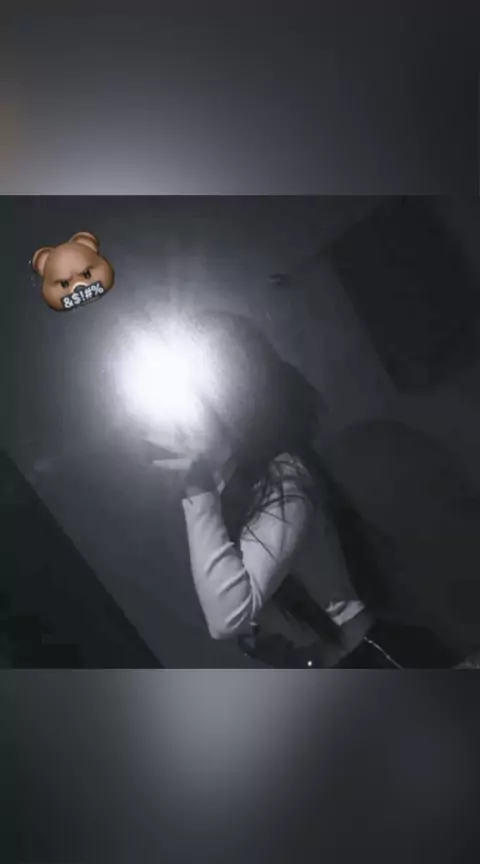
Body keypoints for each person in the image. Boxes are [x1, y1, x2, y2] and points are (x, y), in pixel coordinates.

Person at [148, 310, 458, 669]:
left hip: (377, 658)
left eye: (191, 397)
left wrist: (197, 492)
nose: (179, 415)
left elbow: (226, 617)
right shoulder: (223, 496)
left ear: (229, 397)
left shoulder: (284, 472)